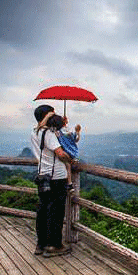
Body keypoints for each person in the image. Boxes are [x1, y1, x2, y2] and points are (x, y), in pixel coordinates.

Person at [31, 104, 74, 257]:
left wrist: (61, 124)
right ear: (46, 116)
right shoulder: (48, 134)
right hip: (57, 178)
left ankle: (41, 244)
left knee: (43, 210)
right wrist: (71, 158)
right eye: (52, 114)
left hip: (43, 177)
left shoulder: (34, 132)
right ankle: (54, 245)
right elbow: (60, 154)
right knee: (56, 212)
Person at [44, 113, 82, 192]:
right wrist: (78, 132)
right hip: (71, 153)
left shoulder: (57, 132)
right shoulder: (68, 132)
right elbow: (76, 139)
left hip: (63, 152)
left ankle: (69, 184)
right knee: (68, 166)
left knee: (67, 166)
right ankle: (70, 184)